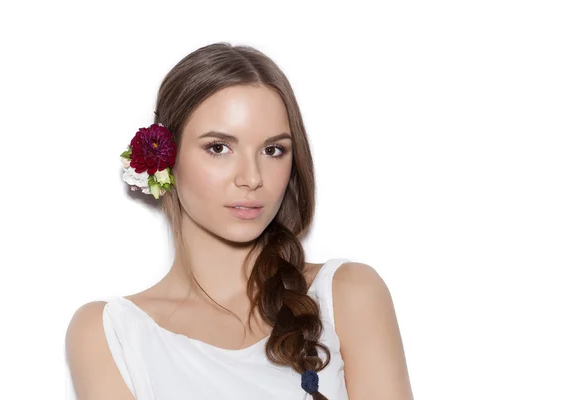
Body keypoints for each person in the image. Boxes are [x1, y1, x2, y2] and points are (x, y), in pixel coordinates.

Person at [65, 42, 414, 400]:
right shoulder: (112, 332)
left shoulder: (349, 294)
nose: (252, 177)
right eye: (219, 147)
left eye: (273, 150)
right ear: (164, 158)